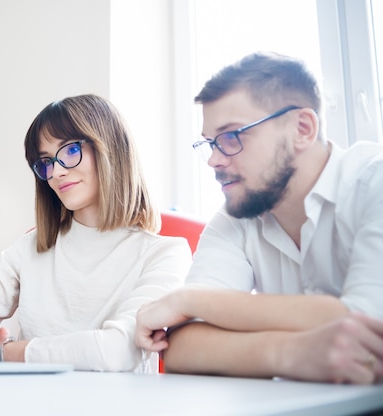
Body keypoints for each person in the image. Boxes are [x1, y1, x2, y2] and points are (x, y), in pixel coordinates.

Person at [135, 51, 383, 384]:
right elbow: (180, 348)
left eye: (231, 137)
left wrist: (191, 299)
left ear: (303, 129)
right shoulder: (236, 215)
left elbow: (368, 326)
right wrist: (288, 353)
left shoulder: (374, 183)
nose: (213, 161)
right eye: (210, 143)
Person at [0, 94, 192, 372]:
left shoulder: (166, 253)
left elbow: (116, 351)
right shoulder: (28, 249)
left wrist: (0, 354)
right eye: (46, 161)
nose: (56, 172)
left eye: (70, 151)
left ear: (110, 148)